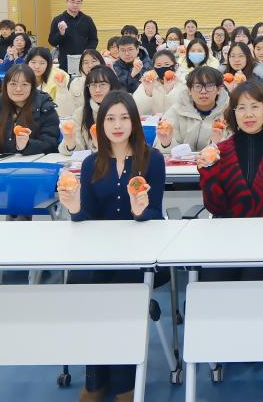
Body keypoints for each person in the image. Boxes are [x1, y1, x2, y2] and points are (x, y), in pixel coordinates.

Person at [56, 91, 164, 402]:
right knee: (84, 287)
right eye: (110, 119)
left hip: (138, 253)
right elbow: (86, 218)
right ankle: (95, 378)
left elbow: (156, 214)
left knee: (121, 295)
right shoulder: (92, 163)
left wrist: (140, 212)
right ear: (100, 124)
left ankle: (124, 382)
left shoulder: (152, 159)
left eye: (124, 118)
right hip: (99, 252)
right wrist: (74, 208)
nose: (117, 125)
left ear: (135, 122)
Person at [198, 80, 263, 220]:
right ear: (233, 113)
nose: (248, 114)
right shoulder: (219, 152)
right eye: (241, 108)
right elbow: (216, 208)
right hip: (232, 229)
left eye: (255, 107)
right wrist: (208, 174)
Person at [0, 65, 60, 156]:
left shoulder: (45, 108)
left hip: (36, 163)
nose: (18, 89)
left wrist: (27, 145)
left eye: (24, 84)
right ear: (5, 86)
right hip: (3, 164)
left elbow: (50, 143)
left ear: (32, 87)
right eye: (13, 84)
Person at [161, 66, 229, 153]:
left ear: (218, 89)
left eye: (209, 86)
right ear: (189, 90)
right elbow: (163, 149)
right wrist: (166, 144)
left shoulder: (228, 113)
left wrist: (216, 144)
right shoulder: (176, 110)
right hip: (181, 161)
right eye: (197, 86)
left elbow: (231, 149)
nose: (203, 91)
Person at [60, 65, 118, 155]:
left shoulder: (122, 110)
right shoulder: (80, 113)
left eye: (102, 84)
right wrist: (70, 143)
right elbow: (78, 151)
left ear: (112, 86)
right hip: (91, 160)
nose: (97, 90)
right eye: (93, 85)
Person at [47, 0, 99, 73]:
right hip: (65, 61)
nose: (75, 5)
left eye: (78, 2)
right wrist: (61, 33)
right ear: (67, 2)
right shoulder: (58, 19)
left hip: (84, 60)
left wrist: (88, 51)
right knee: (67, 80)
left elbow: (94, 39)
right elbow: (52, 41)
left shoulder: (87, 20)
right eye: (72, 2)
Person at [57, 49, 103, 121]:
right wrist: (62, 89)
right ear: (81, 66)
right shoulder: (75, 83)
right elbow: (66, 112)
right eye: (86, 62)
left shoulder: (108, 80)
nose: (90, 65)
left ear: (101, 63)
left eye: (93, 61)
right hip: (80, 122)